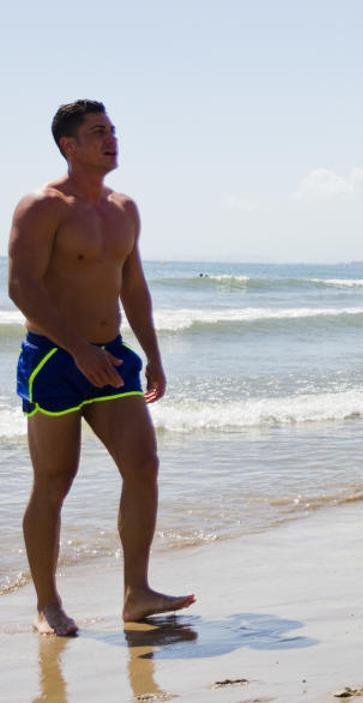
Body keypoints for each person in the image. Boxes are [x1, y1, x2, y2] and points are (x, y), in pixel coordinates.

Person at [7, 100, 194, 636]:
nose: (111, 139)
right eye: (98, 132)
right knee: (54, 481)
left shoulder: (123, 208)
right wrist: (76, 350)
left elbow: (132, 287)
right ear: (69, 145)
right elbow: (22, 286)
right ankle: (47, 603)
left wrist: (154, 355)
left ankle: (136, 593)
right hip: (53, 360)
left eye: (113, 130)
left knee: (143, 465)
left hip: (111, 354)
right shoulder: (42, 206)